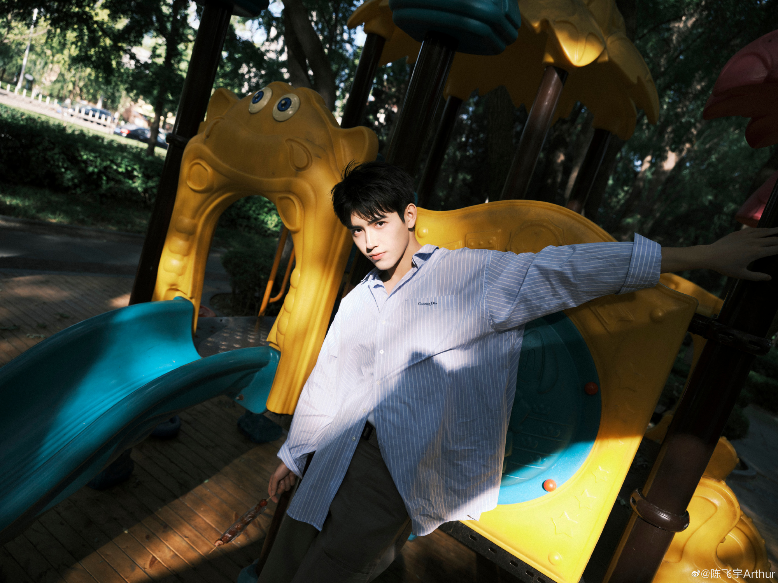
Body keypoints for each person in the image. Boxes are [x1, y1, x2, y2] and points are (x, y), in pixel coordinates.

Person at [256, 161, 778, 583]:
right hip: (335, 449)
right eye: (357, 230)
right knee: (286, 554)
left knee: (332, 569)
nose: (369, 240)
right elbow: (329, 379)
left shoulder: (468, 276)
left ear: (408, 216)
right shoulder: (360, 298)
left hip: (394, 466)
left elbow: (567, 269)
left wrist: (704, 255)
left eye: (379, 223)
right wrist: (294, 453)